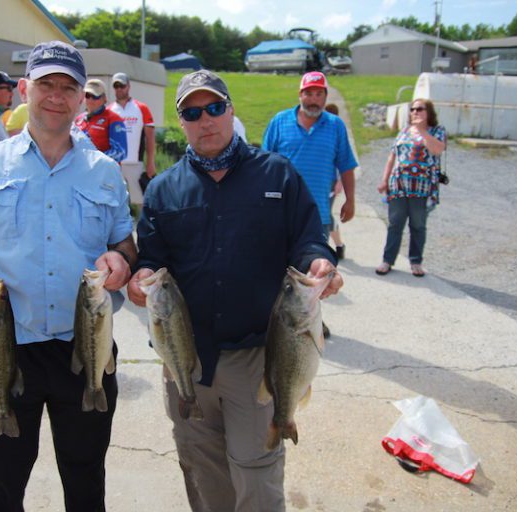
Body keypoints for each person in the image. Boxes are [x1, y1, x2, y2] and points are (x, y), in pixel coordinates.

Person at [126, 70, 344, 512]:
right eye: (192, 113)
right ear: (181, 122)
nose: (205, 120)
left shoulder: (277, 174)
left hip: (257, 357)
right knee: (203, 470)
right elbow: (151, 257)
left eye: (214, 108)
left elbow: (308, 238)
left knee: (257, 474)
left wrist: (318, 262)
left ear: (231, 110)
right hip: (186, 356)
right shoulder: (164, 189)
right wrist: (140, 277)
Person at [0, 40, 136, 511]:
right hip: (5, 348)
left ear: (82, 97)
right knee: (1, 486)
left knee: (86, 482)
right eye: (46, 84)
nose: (56, 96)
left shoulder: (105, 172)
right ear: (24, 89)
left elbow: (124, 242)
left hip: (84, 347)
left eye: (68, 87)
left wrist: (121, 261)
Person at [263, 71, 357, 259]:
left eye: (319, 94)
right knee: (278, 266)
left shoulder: (336, 126)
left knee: (314, 267)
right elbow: (264, 165)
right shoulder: (279, 122)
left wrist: (350, 200)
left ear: (325, 97)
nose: (313, 100)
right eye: (308, 93)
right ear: (300, 95)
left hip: (318, 215)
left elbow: (346, 166)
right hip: (282, 213)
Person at [375, 98, 446, 277]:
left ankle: (416, 262)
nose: (415, 112)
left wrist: (422, 131)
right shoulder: (404, 131)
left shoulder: (437, 131)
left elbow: (438, 149)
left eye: (420, 109)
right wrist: (384, 180)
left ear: (428, 112)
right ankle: (387, 260)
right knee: (395, 224)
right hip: (398, 185)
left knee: (418, 225)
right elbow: (392, 157)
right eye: (413, 109)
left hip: (421, 187)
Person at [107, 72, 155, 206]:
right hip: (115, 165)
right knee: (115, 202)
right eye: (116, 86)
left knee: (141, 202)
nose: (119, 89)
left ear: (128, 86)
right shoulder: (109, 110)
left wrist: (150, 162)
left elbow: (150, 138)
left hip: (136, 163)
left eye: (122, 86)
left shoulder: (141, 108)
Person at [74, 78, 127, 163]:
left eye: (95, 96)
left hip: (105, 170)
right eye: (87, 95)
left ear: (104, 98)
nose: (90, 100)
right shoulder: (79, 119)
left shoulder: (114, 119)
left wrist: (93, 159)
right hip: (81, 168)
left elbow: (121, 152)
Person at [323, 103, 346, 259]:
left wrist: (340, 182)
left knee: (325, 214)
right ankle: (338, 245)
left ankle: (336, 246)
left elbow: (344, 161)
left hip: (331, 181)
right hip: (318, 181)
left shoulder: (337, 133)